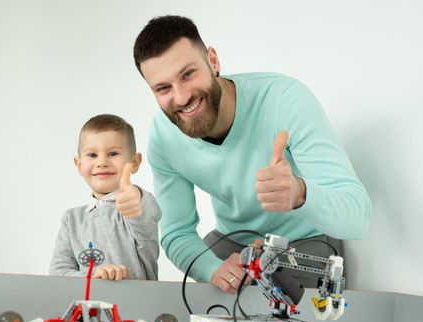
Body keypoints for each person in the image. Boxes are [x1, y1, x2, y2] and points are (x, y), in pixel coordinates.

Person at [133, 15, 371, 293]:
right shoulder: (163, 135)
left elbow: (358, 219)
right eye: (163, 88)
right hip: (232, 246)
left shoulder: (285, 98)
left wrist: (300, 193)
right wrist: (212, 269)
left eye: (188, 74)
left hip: (303, 243)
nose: (182, 97)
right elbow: (176, 232)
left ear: (213, 61)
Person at [49, 114, 161, 280]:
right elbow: (58, 273)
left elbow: (146, 214)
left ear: (135, 162)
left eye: (113, 153)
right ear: (79, 165)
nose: (102, 162)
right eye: (92, 155)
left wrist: (135, 196)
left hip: (138, 303)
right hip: (89, 304)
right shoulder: (71, 220)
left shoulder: (137, 206)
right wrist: (94, 277)